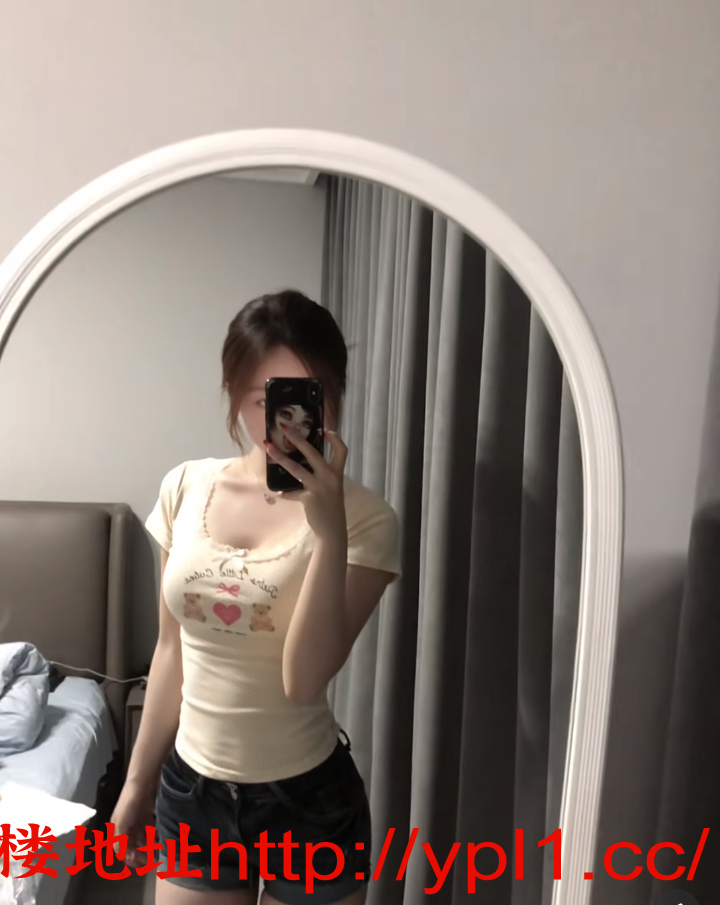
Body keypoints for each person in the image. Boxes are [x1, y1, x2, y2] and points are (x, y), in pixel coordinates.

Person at [111, 290, 402, 905]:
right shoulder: (185, 487)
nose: (285, 419)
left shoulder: (367, 520)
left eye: (304, 395)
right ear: (234, 394)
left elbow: (303, 680)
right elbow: (171, 652)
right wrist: (136, 785)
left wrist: (329, 531)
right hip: (192, 794)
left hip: (309, 805)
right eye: (262, 399)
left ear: (333, 394)